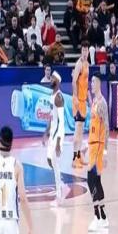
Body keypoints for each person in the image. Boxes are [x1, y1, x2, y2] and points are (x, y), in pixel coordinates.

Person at [87, 73, 110, 231]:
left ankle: (96, 216)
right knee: (97, 180)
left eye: (94, 82)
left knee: (91, 179)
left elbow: (106, 127)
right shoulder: (95, 101)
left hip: (98, 146)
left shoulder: (102, 103)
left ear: (99, 83)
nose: (91, 84)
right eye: (91, 82)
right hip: (92, 145)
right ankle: (103, 217)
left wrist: (106, 151)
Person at [43, 71, 66, 207]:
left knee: (55, 164)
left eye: (52, 78)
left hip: (58, 135)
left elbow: (61, 122)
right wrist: (46, 132)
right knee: (49, 161)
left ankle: (59, 196)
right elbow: (52, 117)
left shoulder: (59, 98)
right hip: (52, 133)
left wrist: (58, 142)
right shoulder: (51, 95)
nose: (50, 80)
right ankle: (61, 184)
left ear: (57, 81)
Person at [72, 42, 89, 168]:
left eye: (86, 50)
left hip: (84, 101)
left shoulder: (87, 64)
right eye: (83, 50)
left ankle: (79, 156)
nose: (85, 52)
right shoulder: (79, 64)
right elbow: (74, 81)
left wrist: (89, 99)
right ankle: (74, 159)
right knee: (77, 132)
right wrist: (75, 97)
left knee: (81, 131)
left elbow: (86, 83)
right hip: (78, 101)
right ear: (81, 51)